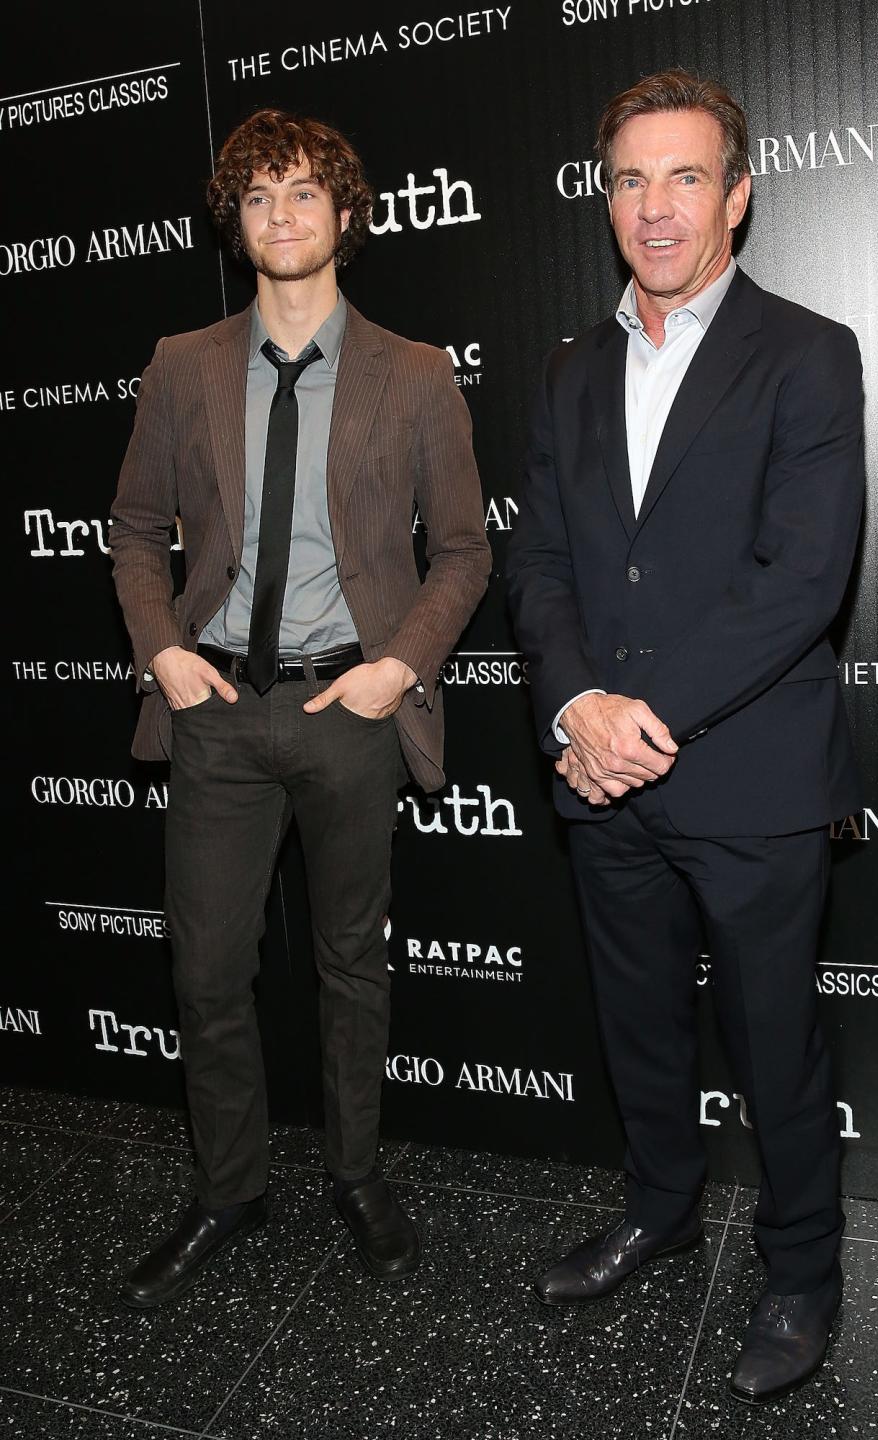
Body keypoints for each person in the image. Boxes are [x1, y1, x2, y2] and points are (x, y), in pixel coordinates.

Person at [507, 69, 864, 1404]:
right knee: (639, 1024)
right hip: (601, 776)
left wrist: (640, 715)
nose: (654, 207)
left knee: (778, 1042)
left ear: (739, 191)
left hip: (751, 776)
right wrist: (576, 708)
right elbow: (536, 562)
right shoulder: (568, 370)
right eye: (629, 179)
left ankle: (802, 1271)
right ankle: (658, 1209)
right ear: (606, 200)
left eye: (685, 176)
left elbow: (803, 576)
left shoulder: (809, 351)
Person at [110, 108, 490, 1306]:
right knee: (209, 973)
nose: (283, 216)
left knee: (350, 967)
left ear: (345, 214)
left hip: (350, 707)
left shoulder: (416, 374)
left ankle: (356, 1174)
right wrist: (163, 650)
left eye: (304, 194)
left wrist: (397, 669)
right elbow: (131, 535)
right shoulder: (182, 362)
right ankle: (229, 1188)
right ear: (238, 222)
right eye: (260, 196)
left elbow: (466, 553)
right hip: (216, 707)